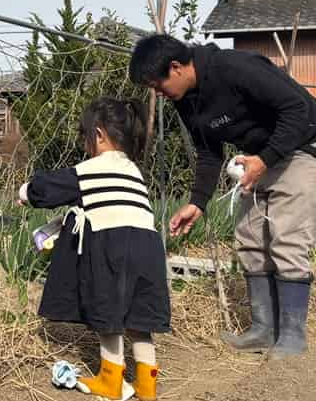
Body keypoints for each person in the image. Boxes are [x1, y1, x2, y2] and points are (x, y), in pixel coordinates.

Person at [129, 34, 316, 358]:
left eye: (157, 84)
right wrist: (196, 203)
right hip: (259, 159)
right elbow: (208, 151)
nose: (156, 93)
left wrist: (265, 158)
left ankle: (292, 338)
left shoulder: (235, 67)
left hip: (301, 150)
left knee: (287, 239)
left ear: (176, 67)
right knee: (250, 239)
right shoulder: (185, 99)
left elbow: (298, 109)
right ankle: (263, 330)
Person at [18, 97, 169, 401]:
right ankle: (147, 382)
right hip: (148, 247)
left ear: (98, 134)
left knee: (108, 313)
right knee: (139, 318)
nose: (84, 142)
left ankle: (111, 380)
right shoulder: (134, 171)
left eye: (84, 135)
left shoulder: (92, 169)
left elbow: (50, 187)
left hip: (113, 245)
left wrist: (26, 192)